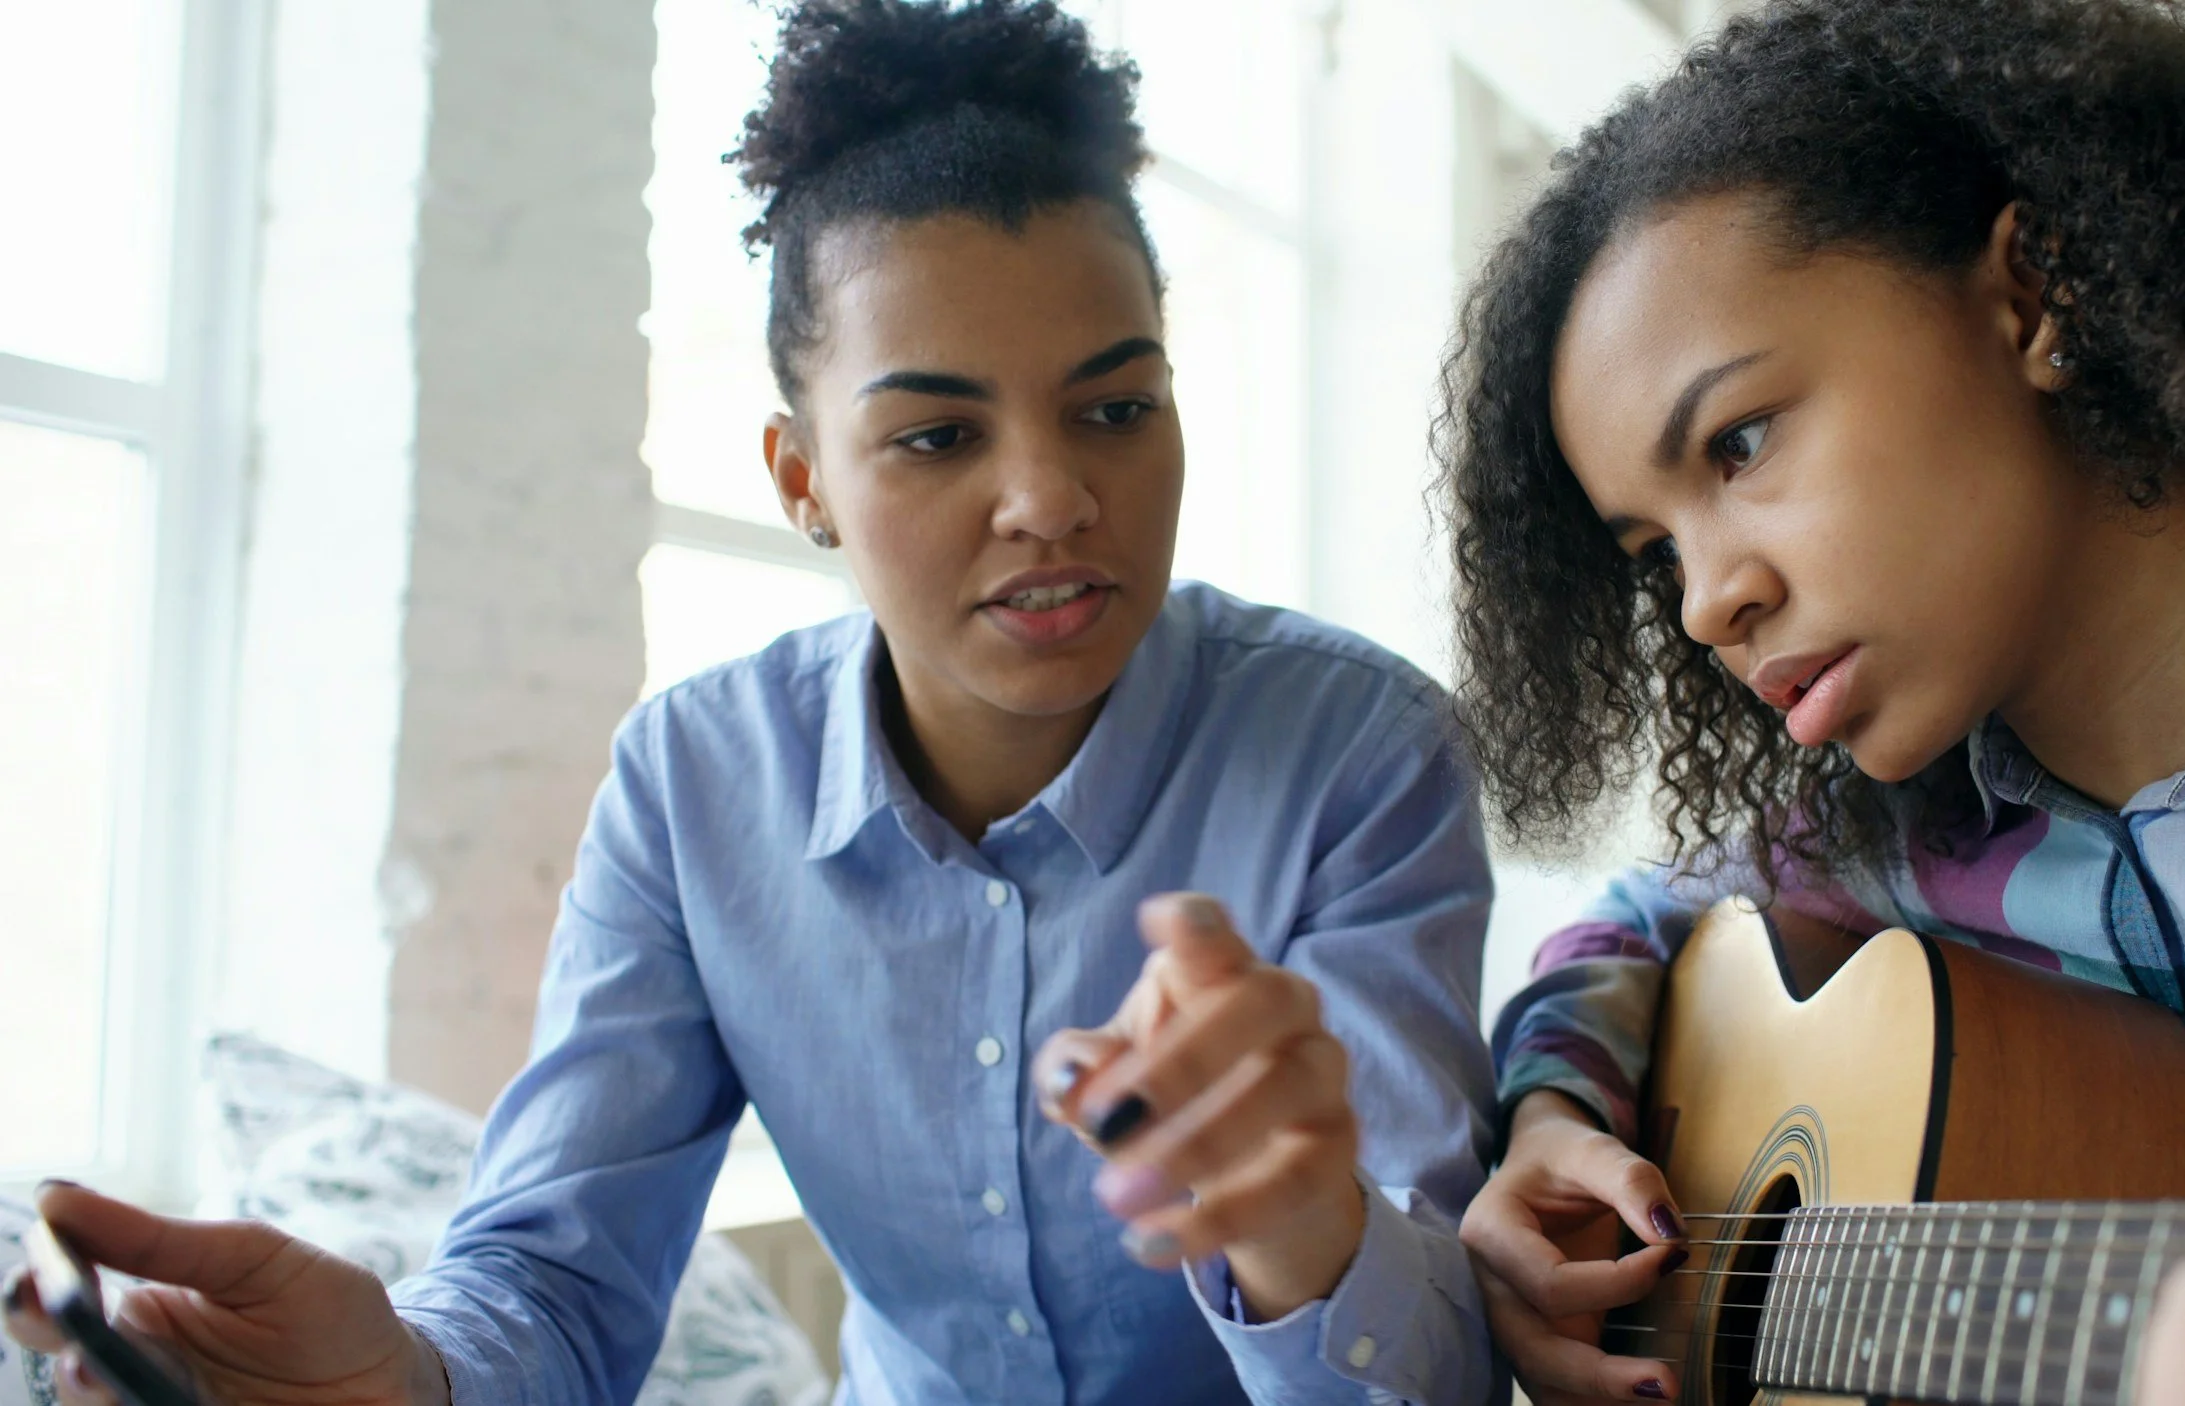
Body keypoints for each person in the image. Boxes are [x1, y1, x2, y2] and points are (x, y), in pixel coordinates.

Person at [2, 3, 1502, 1403]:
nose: (1049, 498)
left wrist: (1303, 1226)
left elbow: (1444, 1357)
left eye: (1116, 409)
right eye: (936, 436)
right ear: (802, 480)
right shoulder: (692, 785)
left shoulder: (1360, 754)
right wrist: (407, 1373)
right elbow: (557, 1277)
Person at [1432, 1, 2185, 1402]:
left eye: (1740, 441)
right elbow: (1636, 921)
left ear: (2033, 297)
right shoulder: (1884, 839)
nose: (1702, 607)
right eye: (1656, 553)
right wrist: (1553, 1113)